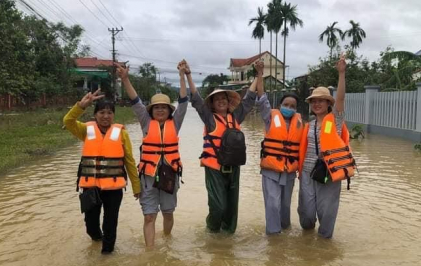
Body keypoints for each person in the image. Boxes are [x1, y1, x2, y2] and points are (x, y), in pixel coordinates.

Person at [117, 61, 188, 248]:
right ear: (151, 110)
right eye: (157, 107)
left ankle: (166, 240)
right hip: (148, 176)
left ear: (169, 110)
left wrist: (182, 77)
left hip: (170, 174)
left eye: (164, 107)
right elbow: (135, 102)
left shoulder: (176, 122)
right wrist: (125, 79)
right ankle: (150, 252)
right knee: (149, 216)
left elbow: (183, 102)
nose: (160, 110)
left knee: (168, 213)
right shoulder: (145, 122)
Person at [63, 89, 141, 254]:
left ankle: (107, 255)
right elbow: (68, 121)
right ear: (95, 114)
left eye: (109, 113)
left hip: (114, 188)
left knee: (110, 222)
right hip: (91, 187)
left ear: (113, 115)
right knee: (90, 225)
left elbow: (129, 161)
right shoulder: (86, 130)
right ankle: (96, 239)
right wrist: (80, 106)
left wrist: (136, 186)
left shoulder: (122, 134)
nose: (106, 116)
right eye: (101, 112)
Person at [184, 60, 256, 234]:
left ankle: (227, 238)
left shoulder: (236, 117)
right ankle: (212, 229)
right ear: (213, 103)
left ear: (228, 101)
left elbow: (248, 100)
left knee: (231, 208)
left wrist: (259, 76)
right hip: (214, 168)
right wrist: (188, 75)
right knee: (218, 206)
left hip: (234, 168)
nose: (221, 101)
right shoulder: (209, 118)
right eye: (217, 99)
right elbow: (196, 100)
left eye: (223, 98)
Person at [297, 54, 355, 238]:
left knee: (327, 213)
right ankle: (307, 241)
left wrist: (341, 73)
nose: (317, 104)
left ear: (328, 103)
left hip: (330, 172)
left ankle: (323, 248)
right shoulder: (309, 124)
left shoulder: (335, 121)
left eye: (321, 100)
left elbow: (341, 99)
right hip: (307, 172)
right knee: (305, 214)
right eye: (314, 101)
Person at [254, 60, 304, 235]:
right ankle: (273, 237)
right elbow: (261, 98)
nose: (289, 108)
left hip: (289, 171)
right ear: (280, 105)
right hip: (271, 170)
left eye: (292, 106)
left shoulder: (299, 123)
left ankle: (285, 231)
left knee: (285, 205)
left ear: (296, 109)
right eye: (286, 105)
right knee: (273, 203)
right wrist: (260, 73)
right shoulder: (270, 117)